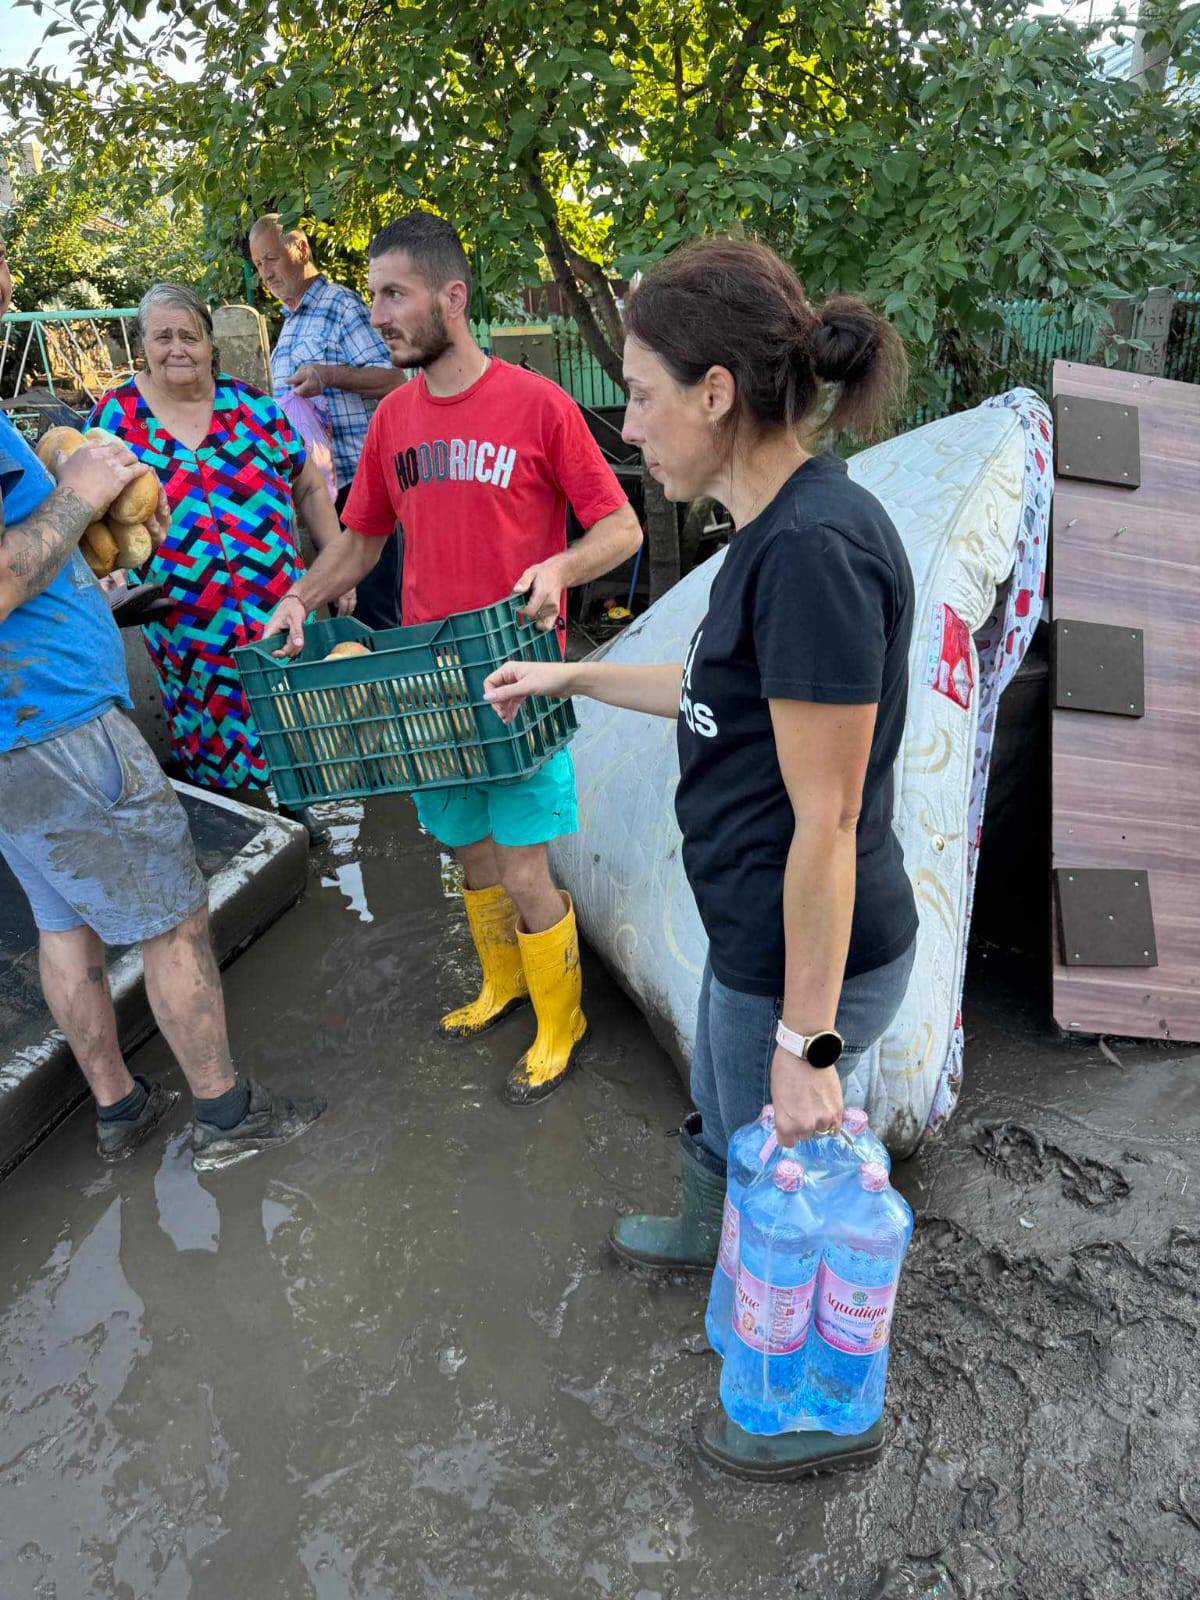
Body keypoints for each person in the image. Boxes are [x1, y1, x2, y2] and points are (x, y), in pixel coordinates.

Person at [483, 237, 918, 1479]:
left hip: (807, 961)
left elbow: (828, 822)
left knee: (781, 1145)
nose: (630, 424)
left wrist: (809, 1044)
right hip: (758, 938)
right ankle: (708, 1220)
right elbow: (720, 690)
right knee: (735, 1122)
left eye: (642, 392)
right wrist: (570, 670)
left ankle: (821, 1409)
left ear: (717, 392)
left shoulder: (818, 553)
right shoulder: (768, 533)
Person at [262, 211, 643, 1104]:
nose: (379, 315)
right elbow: (357, 543)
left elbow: (620, 528)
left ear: (452, 298)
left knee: (523, 866)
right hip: (431, 684)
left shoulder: (539, 405)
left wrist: (560, 564)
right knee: (469, 855)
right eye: (374, 295)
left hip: (519, 677)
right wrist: (296, 599)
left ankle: (562, 1020)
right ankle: (504, 986)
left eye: (394, 294)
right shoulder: (393, 419)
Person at [0, 239, 324, 1172]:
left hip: (21, 733)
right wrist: (78, 494)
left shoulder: (254, 418)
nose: (13, 280)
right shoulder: (111, 425)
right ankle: (227, 1118)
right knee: (174, 919)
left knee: (65, 927)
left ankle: (119, 1108)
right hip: (56, 721)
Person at [88, 283, 350, 839]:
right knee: (211, 726)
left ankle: (298, 819)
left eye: (190, 335)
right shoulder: (117, 418)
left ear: (211, 344)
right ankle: (248, 827)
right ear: (143, 345)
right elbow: (90, 513)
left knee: (288, 714)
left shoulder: (252, 407)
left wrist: (335, 556)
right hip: (182, 616)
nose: (177, 348)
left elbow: (307, 485)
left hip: (277, 602)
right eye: (162, 337)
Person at [250, 214, 406, 629]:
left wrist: (329, 376)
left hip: (361, 491)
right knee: (346, 618)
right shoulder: (292, 321)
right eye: (257, 264)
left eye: (270, 258)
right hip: (321, 497)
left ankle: (394, 691)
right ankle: (365, 692)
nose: (265, 272)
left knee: (375, 617)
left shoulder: (341, 306)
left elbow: (396, 379)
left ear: (300, 250)